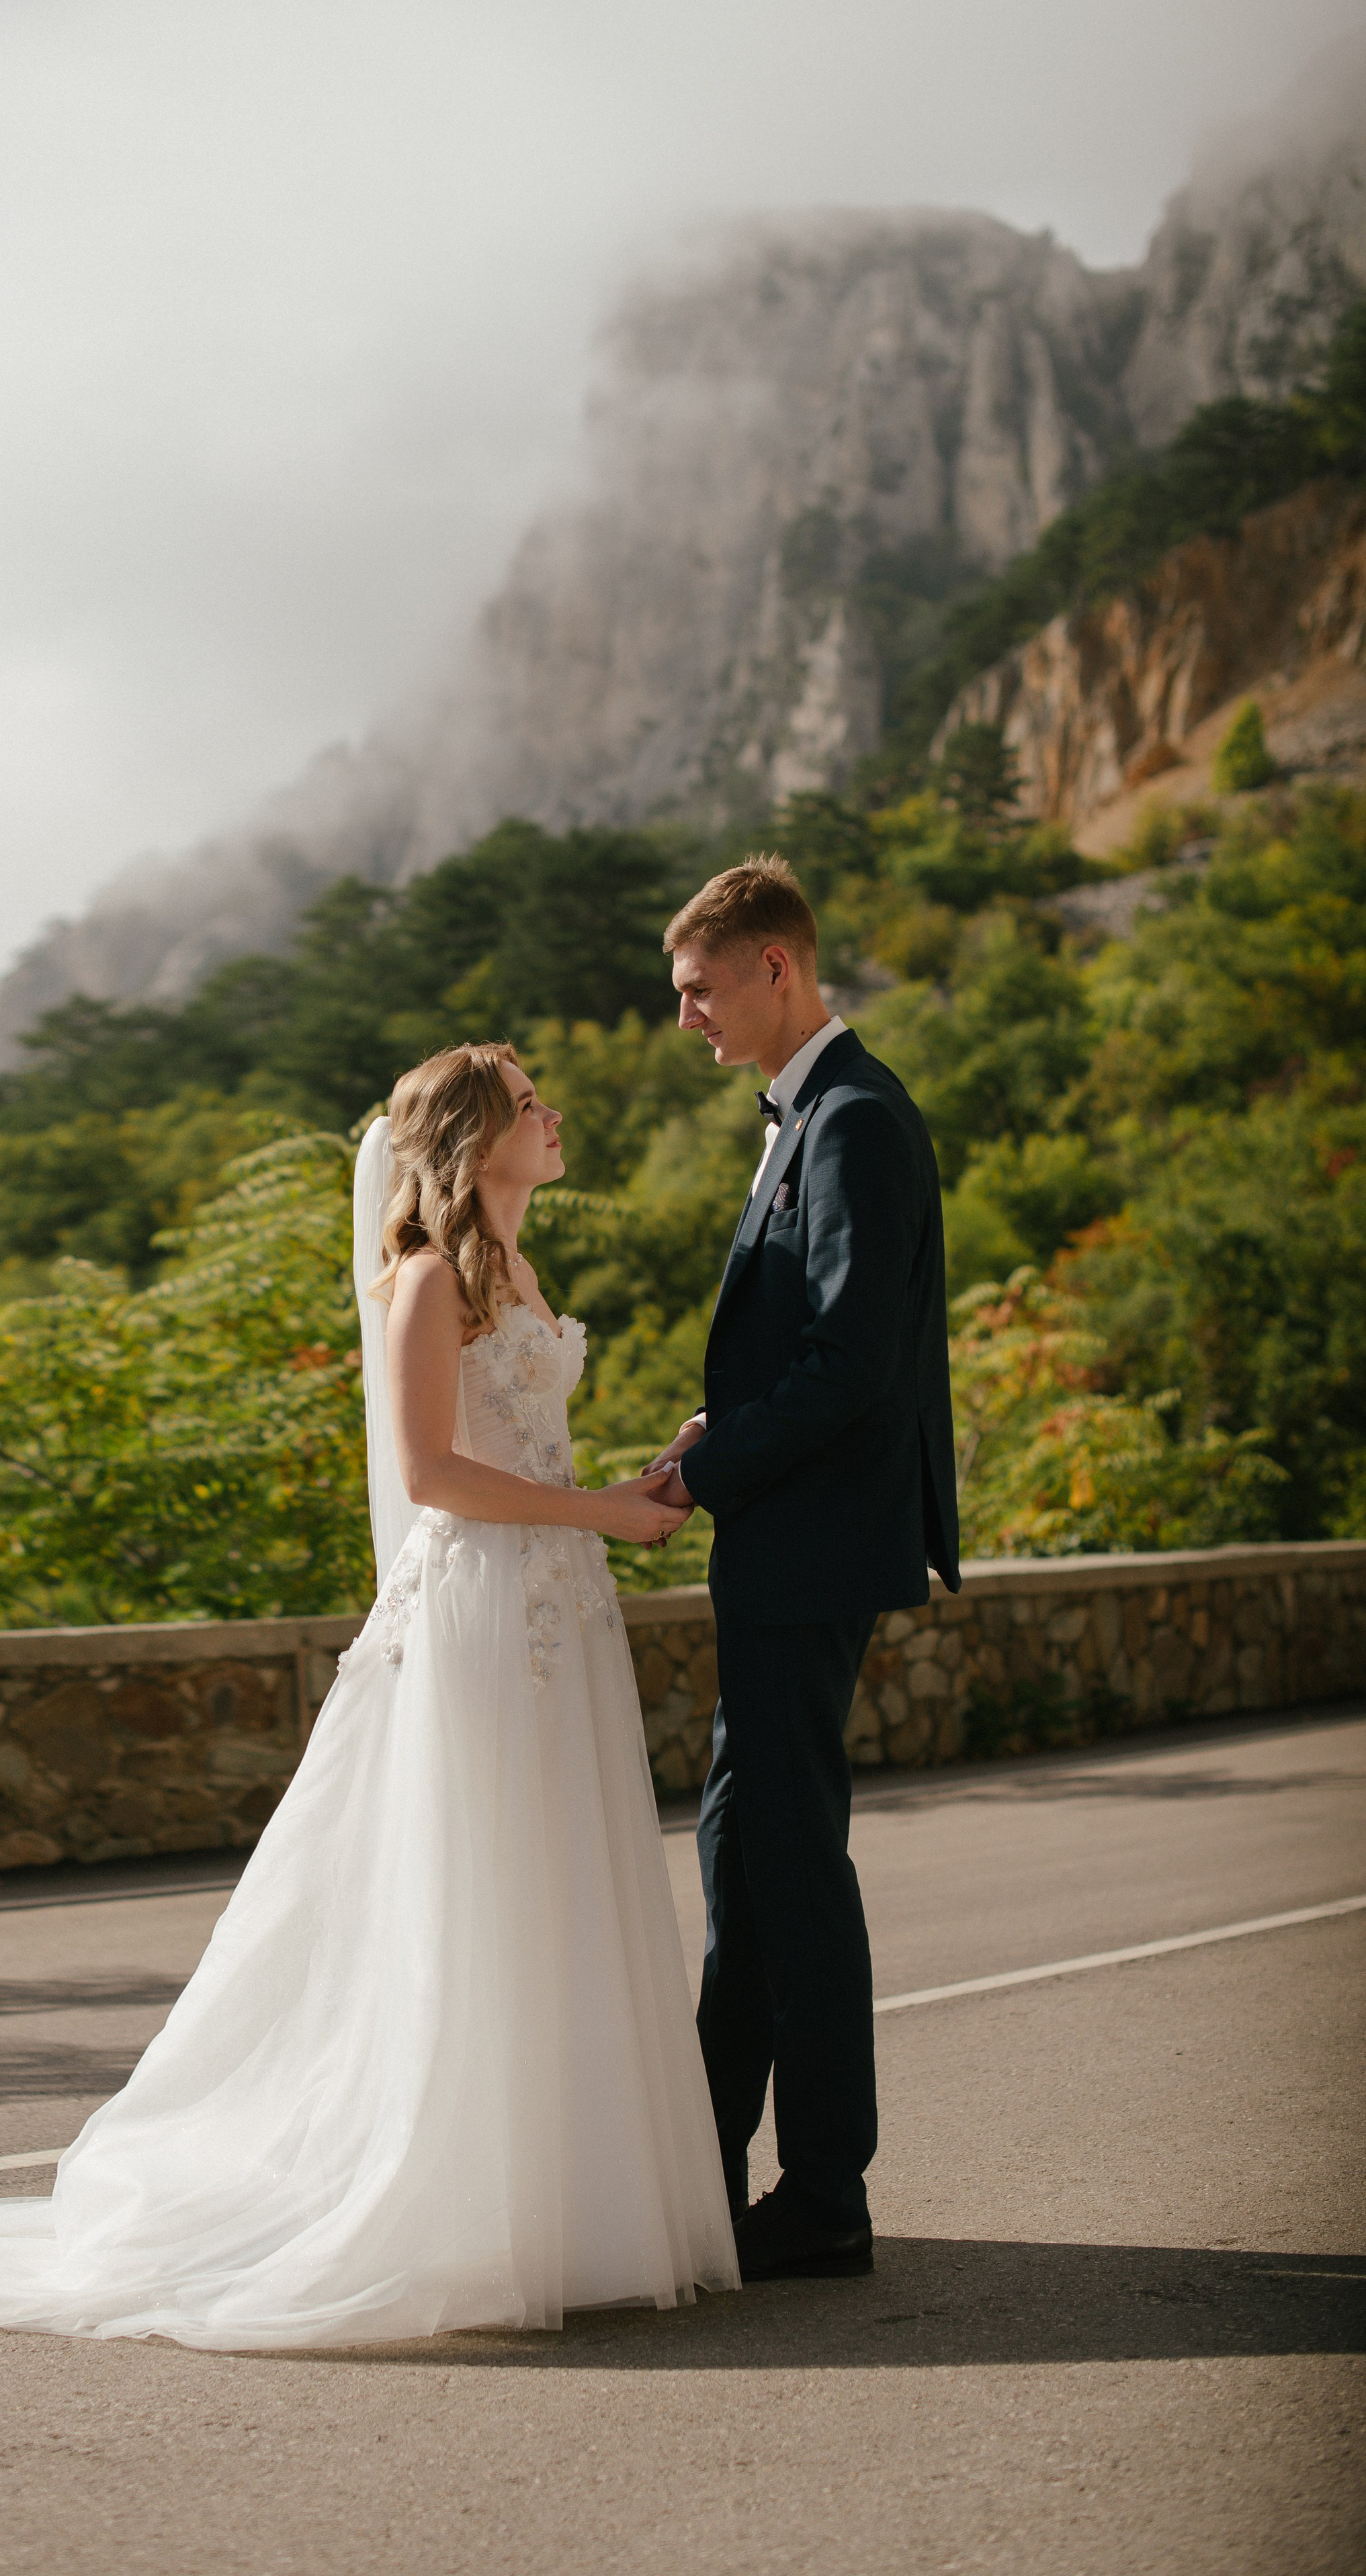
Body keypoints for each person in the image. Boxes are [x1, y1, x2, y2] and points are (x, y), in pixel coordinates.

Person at [0, 1043, 739, 2349]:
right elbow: (433, 1473)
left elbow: (520, 1453)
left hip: (555, 1603)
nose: (553, 1114)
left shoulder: (519, 1272)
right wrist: (601, 1515)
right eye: (527, 1099)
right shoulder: (427, 1280)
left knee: (559, 1884)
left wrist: (632, 1485)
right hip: (484, 1617)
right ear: (471, 1138)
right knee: (484, 1890)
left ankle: (571, 2206)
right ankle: (459, 2207)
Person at [644, 859, 959, 2283]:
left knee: (787, 1868)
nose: (687, 1018)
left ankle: (825, 2191)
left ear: (775, 967)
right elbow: (810, 1355)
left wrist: (708, 1471)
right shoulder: (809, 1119)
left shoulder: (851, 1121)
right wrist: (726, 1422)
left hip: (806, 1551)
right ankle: (704, 2167)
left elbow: (849, 1367)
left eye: (699, 990)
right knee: (744, 1861)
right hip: (784, 1543)